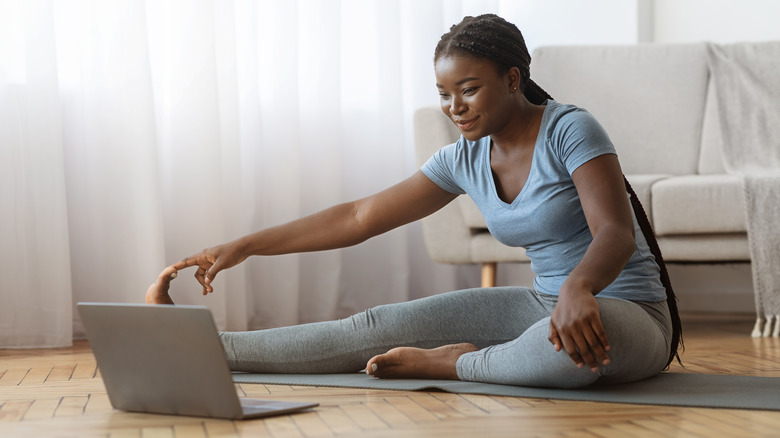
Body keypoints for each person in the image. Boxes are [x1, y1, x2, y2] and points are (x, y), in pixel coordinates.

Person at [146, 14, 682, 389]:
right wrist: (244, 245)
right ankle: (200, 345)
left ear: (512, 78)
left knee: (573, 350)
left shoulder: (570, 129)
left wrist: (580, 286)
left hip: (629, 312)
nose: (455, 107)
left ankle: (455, 366)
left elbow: (615, 230)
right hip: (541, 305)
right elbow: (358, 217)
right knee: (372, 326)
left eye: (468, 90)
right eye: (444, 94)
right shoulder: (463, 159)